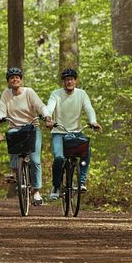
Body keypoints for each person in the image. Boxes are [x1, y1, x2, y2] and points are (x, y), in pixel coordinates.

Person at [0, 67, 51, 206]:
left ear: (21, 80)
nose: (15, 79)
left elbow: (40, 106)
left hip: (32, 128)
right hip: (15, 127)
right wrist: (0, 117)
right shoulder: (6, 94)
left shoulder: (29, 92)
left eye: (17, 77)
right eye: (12, 78)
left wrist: (47, 115)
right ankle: (14, 172)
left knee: (35, 160)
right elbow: (1, 108)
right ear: (8, 81)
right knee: (12, 140)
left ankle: (36, 191)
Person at [45, 68, 102, 200]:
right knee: (59, 158)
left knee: (86, 150)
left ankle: (81, 182)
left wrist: (93, 121)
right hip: (59, 132)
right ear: (63, 82)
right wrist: (48, 118)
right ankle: (56, 186)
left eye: (71, 79)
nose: (69, 82)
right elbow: (49, 107)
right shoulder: (56, 94)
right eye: (66, 80)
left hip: (76, 132)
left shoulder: (82, 94)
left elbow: (89, 108)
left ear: (75, 81)